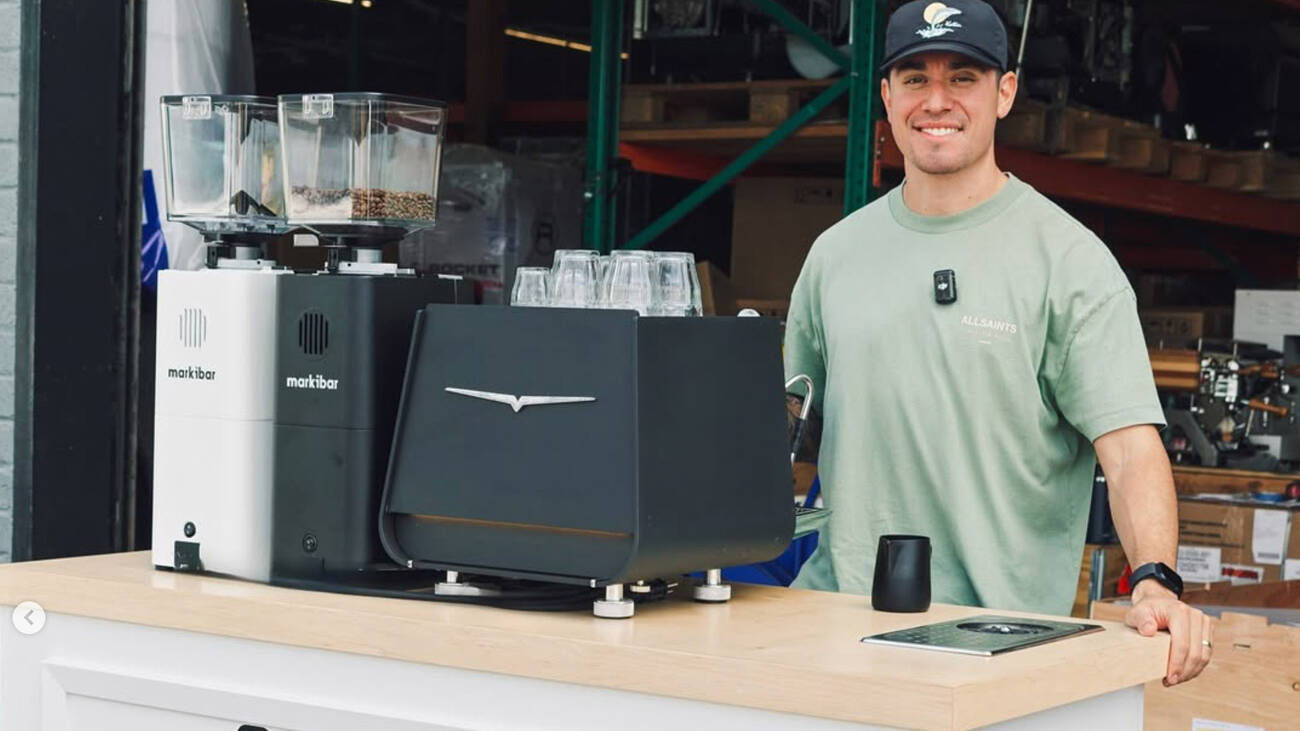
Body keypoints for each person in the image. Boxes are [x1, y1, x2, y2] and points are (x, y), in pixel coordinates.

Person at [784, 0, 1210, 685]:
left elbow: (1130, 450)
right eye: (915, 78)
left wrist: (1155, 579)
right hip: (835, 631)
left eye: (963, 77)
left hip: (993, 651)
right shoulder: (835, 256)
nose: (937, 100)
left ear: (1005, 92)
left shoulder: (1068, 261)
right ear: (887, 97)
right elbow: (777, 431)